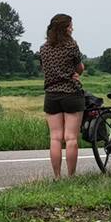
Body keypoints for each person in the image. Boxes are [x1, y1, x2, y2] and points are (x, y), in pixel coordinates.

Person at [38, 14, 85, 178]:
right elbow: (79, 68)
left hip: (51, 95)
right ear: (65, 28)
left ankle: (57, 176)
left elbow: (45, 70)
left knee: (55, 138)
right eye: (70, 26)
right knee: (71, 137)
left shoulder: (43, 49)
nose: (72, 29)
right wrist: (74, 73)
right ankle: (71, 176)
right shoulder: (71, 46)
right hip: (71, 93)